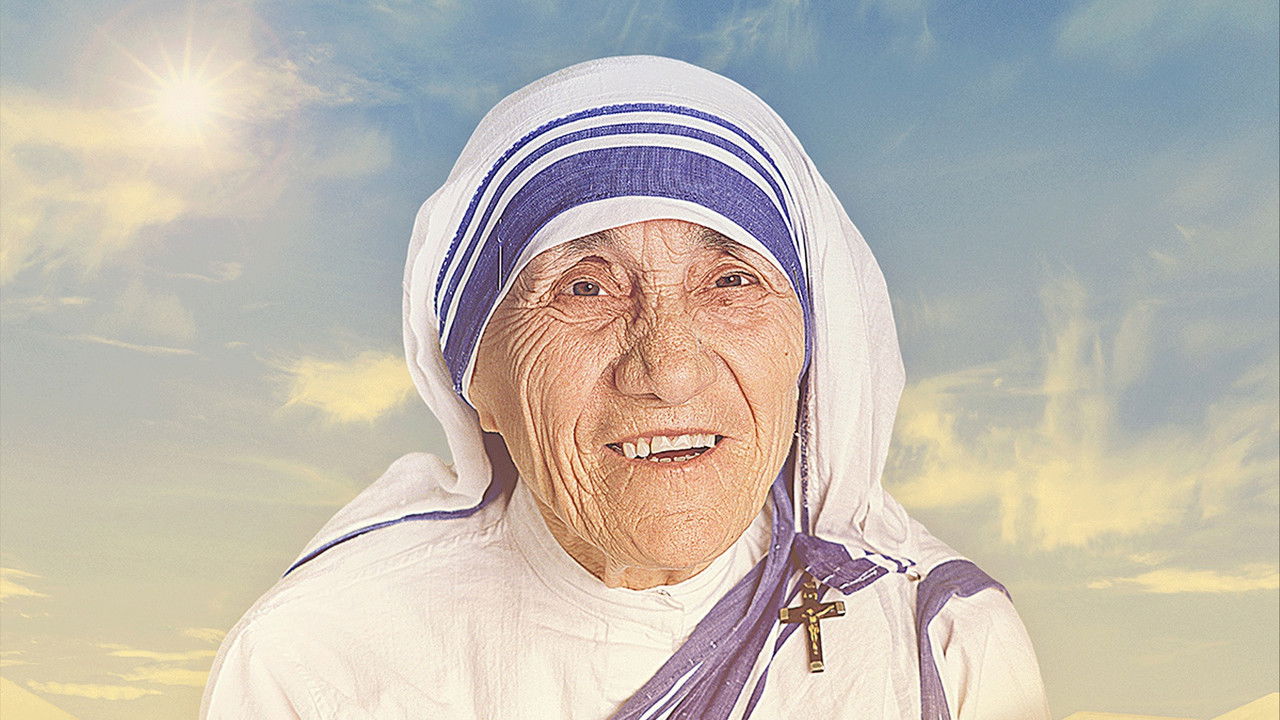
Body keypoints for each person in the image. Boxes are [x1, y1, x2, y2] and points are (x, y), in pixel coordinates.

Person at [202, 55, 1051, 719]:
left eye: (731, 282)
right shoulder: (316, 664)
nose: (668, 368)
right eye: (585, 289)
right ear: (474, 379)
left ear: (810, 349)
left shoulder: (940, 646)